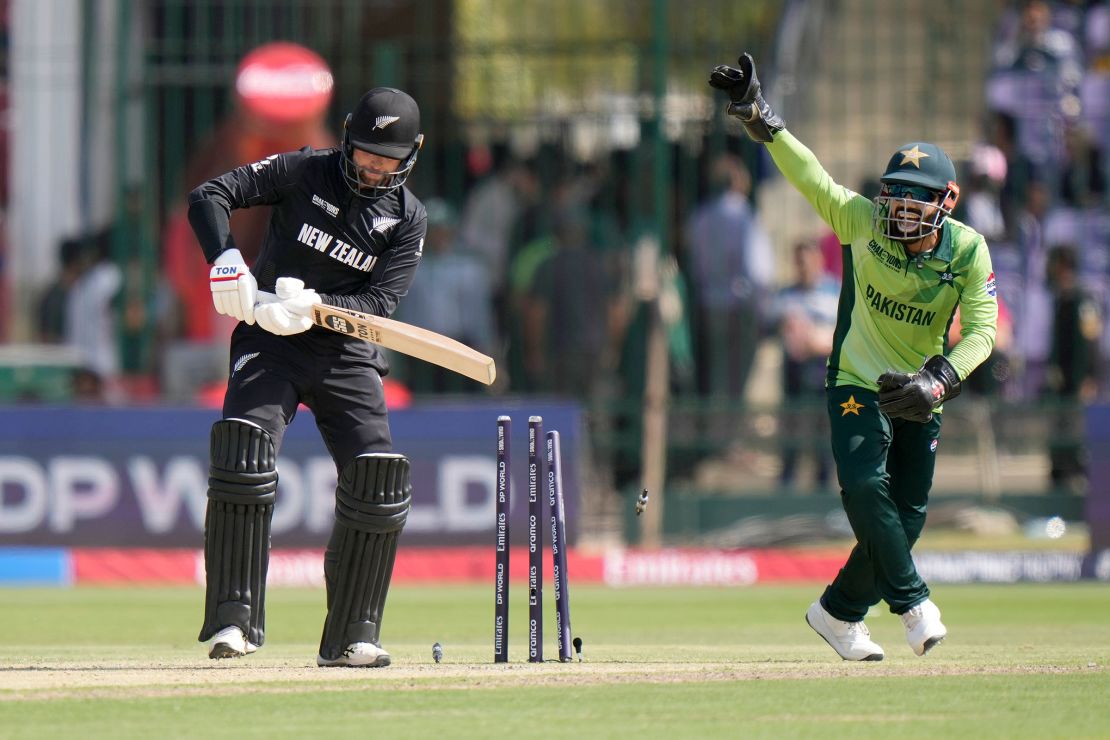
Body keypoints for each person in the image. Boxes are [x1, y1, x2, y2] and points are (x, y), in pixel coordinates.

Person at [710, 54, 998, 660]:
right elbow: (812, 177)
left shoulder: (970, 251)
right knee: (868, 490)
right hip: (855, 380)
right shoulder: (861, 222)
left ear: (947, 202)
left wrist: (938, 381)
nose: (900, 210)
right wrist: (761, 119)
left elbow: (983, 333)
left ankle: (838, 613)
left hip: (920, 390)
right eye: (896, 195)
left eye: (917, 199)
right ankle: (913, 603)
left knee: (907, 519)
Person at [189, 86, 427, 668]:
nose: (372, 167)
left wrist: (318, 306)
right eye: (365, 151)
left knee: (378, 476)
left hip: (345, 350)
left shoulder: (408, 218)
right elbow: (210, 196)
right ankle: (232, 621)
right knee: (244, 451)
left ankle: (353, 636)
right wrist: (227, 262)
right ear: (346, 136)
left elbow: (382, 301)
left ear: (412, 154)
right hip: (269, 336)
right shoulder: (303, 170)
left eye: (387, 158)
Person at [775, 239, 840, 492]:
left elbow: (845, 331)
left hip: (824, 371)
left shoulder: (835, 291)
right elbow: (778, 326)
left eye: (808, 261)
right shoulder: (786, 295)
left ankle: (823, 490)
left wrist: (818, 340)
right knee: (792, 434)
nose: (804, 267)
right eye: (799, 262)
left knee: (824, 436)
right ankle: (786, 488)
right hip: (795, 373)